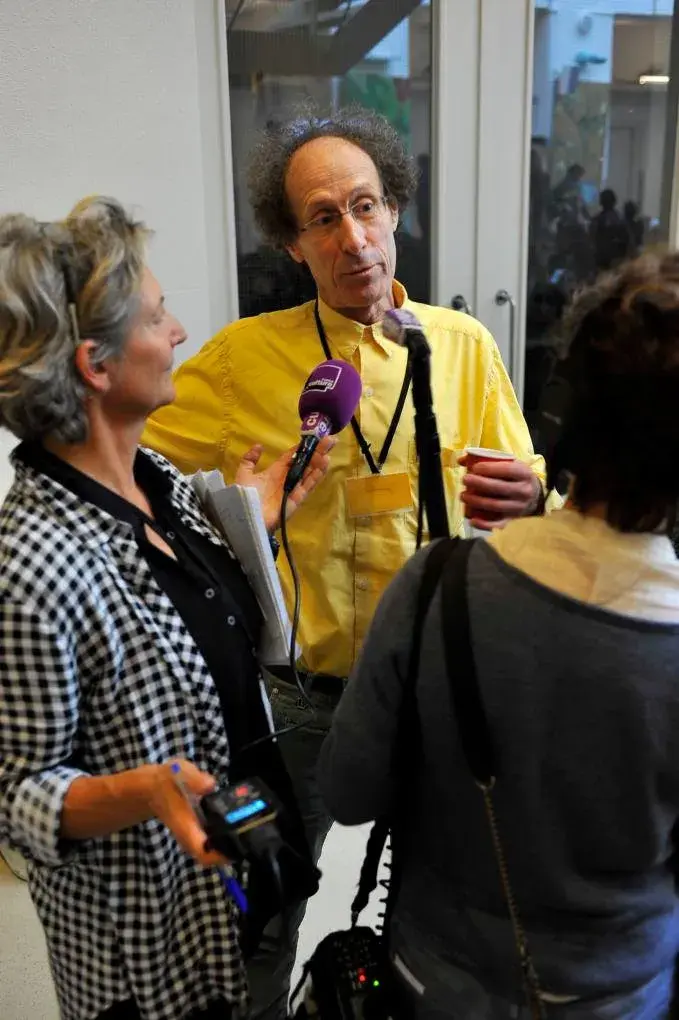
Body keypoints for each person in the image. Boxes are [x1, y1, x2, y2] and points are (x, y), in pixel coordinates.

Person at [142, 106, 553, 1011]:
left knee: (443, 911)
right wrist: (228, 515)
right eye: (322, 218)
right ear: (293, 244)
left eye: (365, 207)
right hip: (303, 700)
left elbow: (530, 493)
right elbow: (129, 454)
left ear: (395, 210)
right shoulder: (246, 359)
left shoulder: (462, 346)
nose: (352, 236)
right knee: (263, 911)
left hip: (439, 697)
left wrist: (531, 498)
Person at [319, 251, 679, 1019]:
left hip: (433, 978)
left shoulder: (433, 588)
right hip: (617, 994)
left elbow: (347, 792)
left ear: (562, 412)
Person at [0, 197, 332, 1020]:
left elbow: (209, 631)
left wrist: (257, 517)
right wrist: (144, 790)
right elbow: (17, 797)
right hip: (151, 953)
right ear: (96, 365)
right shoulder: (32, 562)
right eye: (156, 316)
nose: (180, 329)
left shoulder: (158, 484)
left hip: (241, 876)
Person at [590, 188, 628, 272]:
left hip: (602, 261)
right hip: (617, 262)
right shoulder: (620, 219)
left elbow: (591, 240)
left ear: (601, 202)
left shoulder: (597, 220)